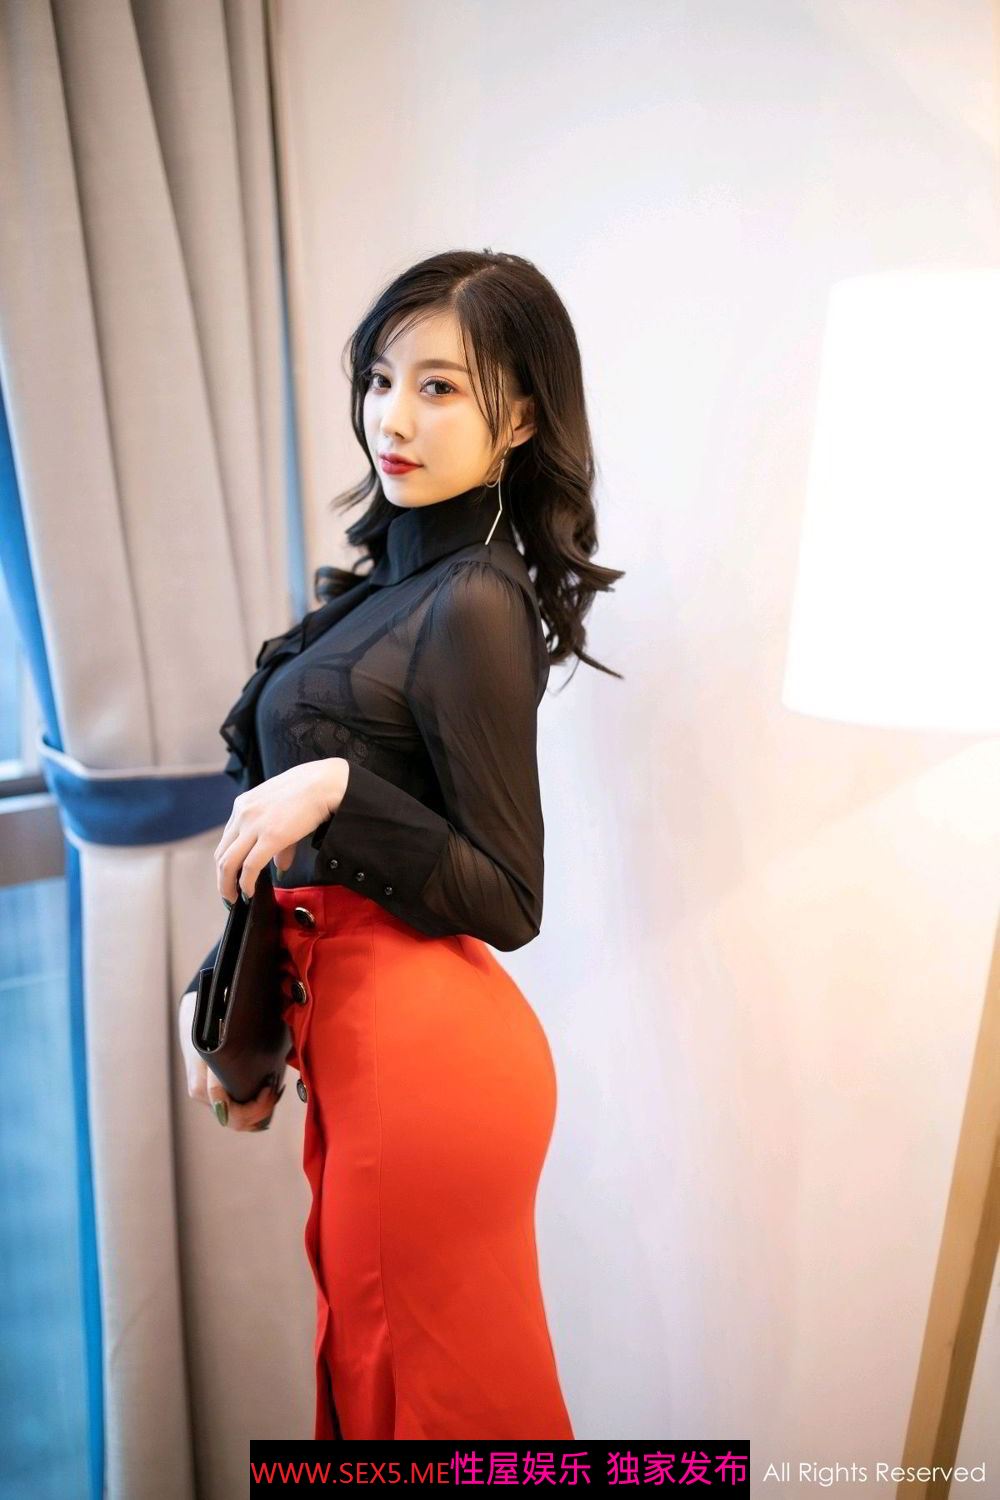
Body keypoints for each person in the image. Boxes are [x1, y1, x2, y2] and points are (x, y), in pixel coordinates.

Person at [176, 248, 624, 1440]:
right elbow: (298, 855)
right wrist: (229, 991)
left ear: (518, 419)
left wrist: (336, 787)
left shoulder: (474, 600)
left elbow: (509, 895)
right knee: (381, 1399)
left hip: (424, 1057)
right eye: (381, 379)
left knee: (429, 1417)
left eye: (439, 387)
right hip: (366, 1044)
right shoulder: (388, 585)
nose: (393, 417)